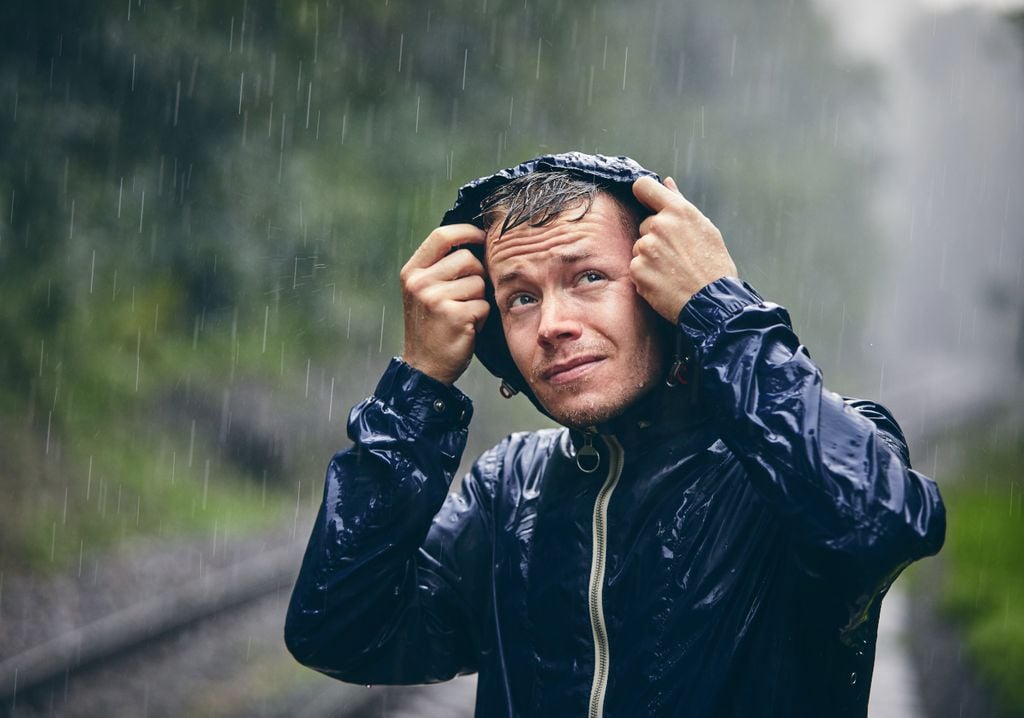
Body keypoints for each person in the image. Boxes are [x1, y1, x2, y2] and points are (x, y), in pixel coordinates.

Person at [284, 152, 945, 717]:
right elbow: (339, 629)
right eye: (520, 297)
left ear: (666, 291)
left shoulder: (791, 466)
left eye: (589, 278)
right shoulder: (509, 494)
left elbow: (878, 523)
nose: (553, 324)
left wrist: (721, 309)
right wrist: (418, 390)